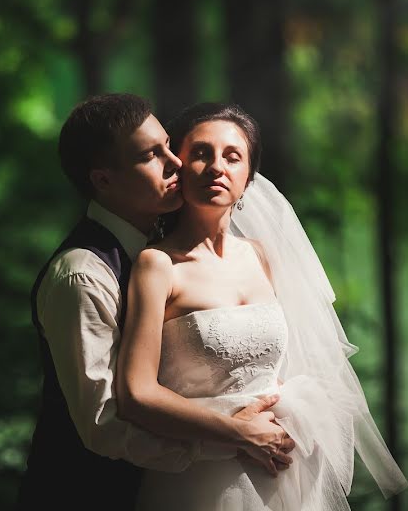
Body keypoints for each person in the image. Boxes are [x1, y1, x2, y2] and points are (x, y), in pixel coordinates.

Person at [117, 102, 408, 510]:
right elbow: (136, 393)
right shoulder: (159, 265)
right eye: (200, 153)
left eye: (232, 156)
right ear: (178, 166)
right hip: (202, 478)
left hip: (281, 467)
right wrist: (239, 433)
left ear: (248, 177)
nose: (217, 166)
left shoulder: (263, 255)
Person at [16, 94, 296, 511]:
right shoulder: (82, 274)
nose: (176, 163)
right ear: (103, 180)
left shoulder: (163, 250)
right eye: (152, 155)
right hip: (86, 495)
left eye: (169, 146)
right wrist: (231, 438)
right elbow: (103, 424)